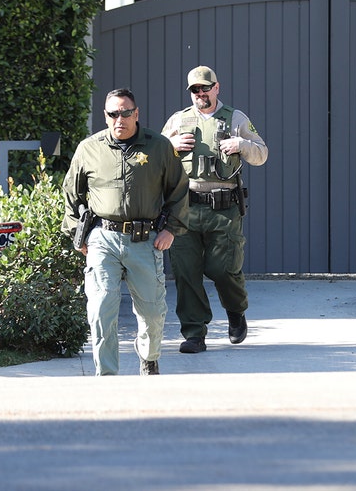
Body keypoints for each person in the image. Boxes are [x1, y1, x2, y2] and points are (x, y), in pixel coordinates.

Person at [62, 88, 189, 376]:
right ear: (105, 116)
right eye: (113, 114)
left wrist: (170, 229)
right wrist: (78, 235)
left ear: (137, 113)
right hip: (102, 239)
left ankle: (149, 358)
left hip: (145, 241)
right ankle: (107, 376)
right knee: (101, 307)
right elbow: (71, 194)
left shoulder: (158, 147)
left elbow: (179, 191)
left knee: (152, 312)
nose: (120, 119)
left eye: (126, 112)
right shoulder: (89, 148)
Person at [161, 66, 268, 354]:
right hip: (185, 208)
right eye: (195, 90)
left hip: (224, 208)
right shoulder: (178, 120)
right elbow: (157, 159)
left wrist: (242, 144)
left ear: (217, 87)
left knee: (223, 268)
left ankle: (236, 310)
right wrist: (170, 145)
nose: (201, 94)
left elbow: (262, 154)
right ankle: (194, 333)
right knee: (186, 271)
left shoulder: (235, 118)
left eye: (205, 88)